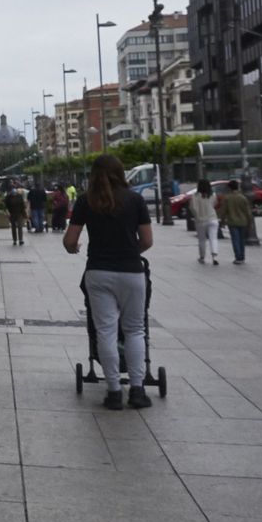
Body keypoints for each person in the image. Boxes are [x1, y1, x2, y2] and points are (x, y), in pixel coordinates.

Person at [64, 154, 155, 410]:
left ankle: (114, 391)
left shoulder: (86, 201)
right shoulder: (135, 200)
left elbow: (70, 240)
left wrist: (74, 249)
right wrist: (128, 251)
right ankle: (137, 390)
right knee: (136, 330)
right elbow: (147, 240)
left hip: (98, 272)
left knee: (106, 331)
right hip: (131, 271)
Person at [218, 179, 253, 265]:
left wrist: (222, 221)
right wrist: (250, 221)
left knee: (235, 240)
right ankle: (242, 256)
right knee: (242, 240)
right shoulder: (243, 198)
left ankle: (238, 257)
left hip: (232, 222)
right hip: (243, 221)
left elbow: (223, 211)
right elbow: (248, 212)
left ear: (229, 188)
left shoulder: (227, 198)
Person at [191, 178, 220, 266]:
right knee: (213, 238)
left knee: (202, 240)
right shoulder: (213, 195)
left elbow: (193, 208)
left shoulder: (195, 196)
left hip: (201, 220)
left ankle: (202, 257)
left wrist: (196, 216)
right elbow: (215, 204)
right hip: (213, 218)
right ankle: (214, 256)